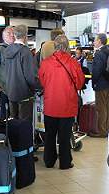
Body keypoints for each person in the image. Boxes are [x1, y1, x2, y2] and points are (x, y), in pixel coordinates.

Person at [38, 35, 85, 169]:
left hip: (50, 105)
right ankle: (65, 162)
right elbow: (80, 83)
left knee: (50, 135)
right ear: (67, 47)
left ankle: (49, 161)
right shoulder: (73, 63)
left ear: (55, 46)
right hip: (67, 105)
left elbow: (41, 81)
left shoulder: (46, 63)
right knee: (64, 137)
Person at [4, 24, 39, 122]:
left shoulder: (7, 50)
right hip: (24, 95)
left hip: (11, 93)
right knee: (24, 126)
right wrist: (39, 86)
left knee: (13, 123)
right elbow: (30, 76)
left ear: (14, 35)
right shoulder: (25, 52)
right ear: (25, 36)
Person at [90, 33, 109, 138]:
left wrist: (94, 82)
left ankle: (102, 131)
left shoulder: (99, 53)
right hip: (108, 83)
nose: (94, 42)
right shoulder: (107, 51)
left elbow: (97, 70)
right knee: (106, 107)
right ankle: (106, 128)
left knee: (101, 108)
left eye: (95, 40)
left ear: (100, 41)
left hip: (101, 84)